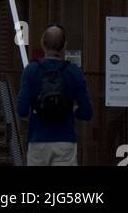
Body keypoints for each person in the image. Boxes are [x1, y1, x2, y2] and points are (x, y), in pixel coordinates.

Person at [17, 24, 93, 166]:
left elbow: (21, 110)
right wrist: (73, 110)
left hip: (38, 140)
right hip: (65, 141)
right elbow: (87, 112)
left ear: (42, 43)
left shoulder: (31, 70)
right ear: (64, 46)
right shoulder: (74, 72)